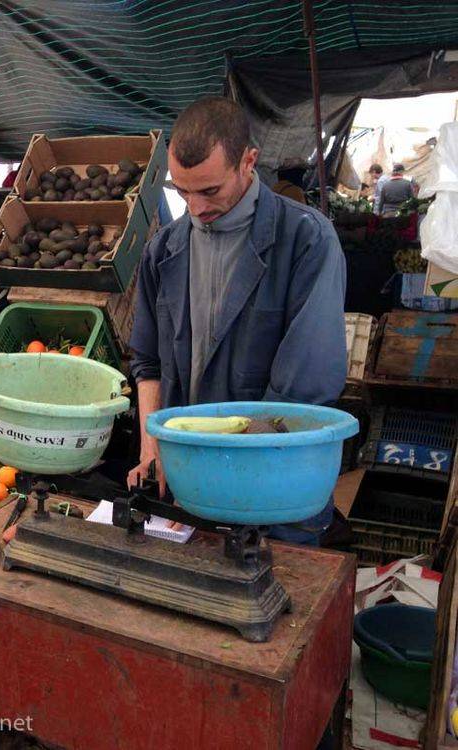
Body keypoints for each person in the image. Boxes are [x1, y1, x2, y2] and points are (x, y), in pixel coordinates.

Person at [127, 96, 347, 545]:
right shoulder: (163, 250)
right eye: (182, 191)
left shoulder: (306, 240)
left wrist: (219, 469)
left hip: (272, 492)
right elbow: (147, 362)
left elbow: (302, 390)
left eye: (209, 190)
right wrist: (153, 445)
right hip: (187, 490)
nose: (195, 207)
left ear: (249, 162)